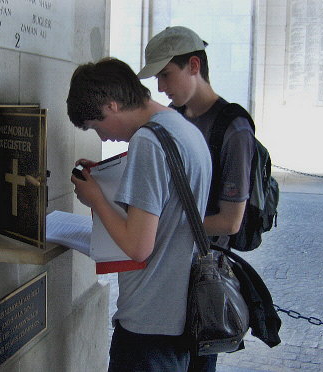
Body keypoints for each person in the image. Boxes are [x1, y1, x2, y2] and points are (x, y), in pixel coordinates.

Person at [67, 57, 212, 372]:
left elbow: (138, 246)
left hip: (150, 319)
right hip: (182, 313)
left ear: (113, 104)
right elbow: (170, 204)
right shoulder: (181, 127)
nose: (103, 137)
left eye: (97, 125)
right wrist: (105, 179)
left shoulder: (148, 141)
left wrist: (97, 201)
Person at [138, 26, 256, 372]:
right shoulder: (174, 120)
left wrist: (157, 225)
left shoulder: (234, 128)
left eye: (165, 74)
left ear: (194, 65)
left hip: (204, 276)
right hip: (168, 266)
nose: (160, 87)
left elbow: (230, 221)